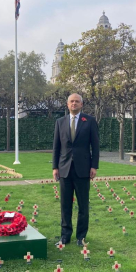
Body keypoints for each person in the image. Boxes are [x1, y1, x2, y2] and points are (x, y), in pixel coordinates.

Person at [52, 93, 99, 246]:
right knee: (65, 205)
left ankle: (81, 237)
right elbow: (56, 147)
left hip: (83, 169)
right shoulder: (60, 122)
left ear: (81, 104)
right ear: (67, 104)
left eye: (77, 102)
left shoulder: (90, 121)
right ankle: (65, 236)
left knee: (83, 205)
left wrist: (94, 166)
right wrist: (55, 167)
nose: (74, 104)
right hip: (64, 169)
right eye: (71, 101)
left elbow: (95, 146)